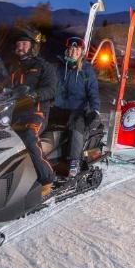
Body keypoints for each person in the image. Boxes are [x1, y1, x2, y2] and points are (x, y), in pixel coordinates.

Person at [8, 28, 58, 193]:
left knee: (29, 136)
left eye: (24, 43)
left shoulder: (44, 67)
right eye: (18, 44)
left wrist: (35, 94)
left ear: (33, 47)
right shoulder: (11, 67)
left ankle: (47, 179)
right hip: (12, 115)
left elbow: (51, 89)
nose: (20, 47)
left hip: (36, 114)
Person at [52, 36, 101, 178]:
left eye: (77, 49)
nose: (74, 51)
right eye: (71, 48)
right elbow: (51, 86)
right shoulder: (60, 67)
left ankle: (74, 161)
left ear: (82, 52)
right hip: (59, 107)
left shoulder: (86, 70)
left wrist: (95, 110)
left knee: (76, 123)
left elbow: (93, 92)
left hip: (77, 109)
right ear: (67, 50)